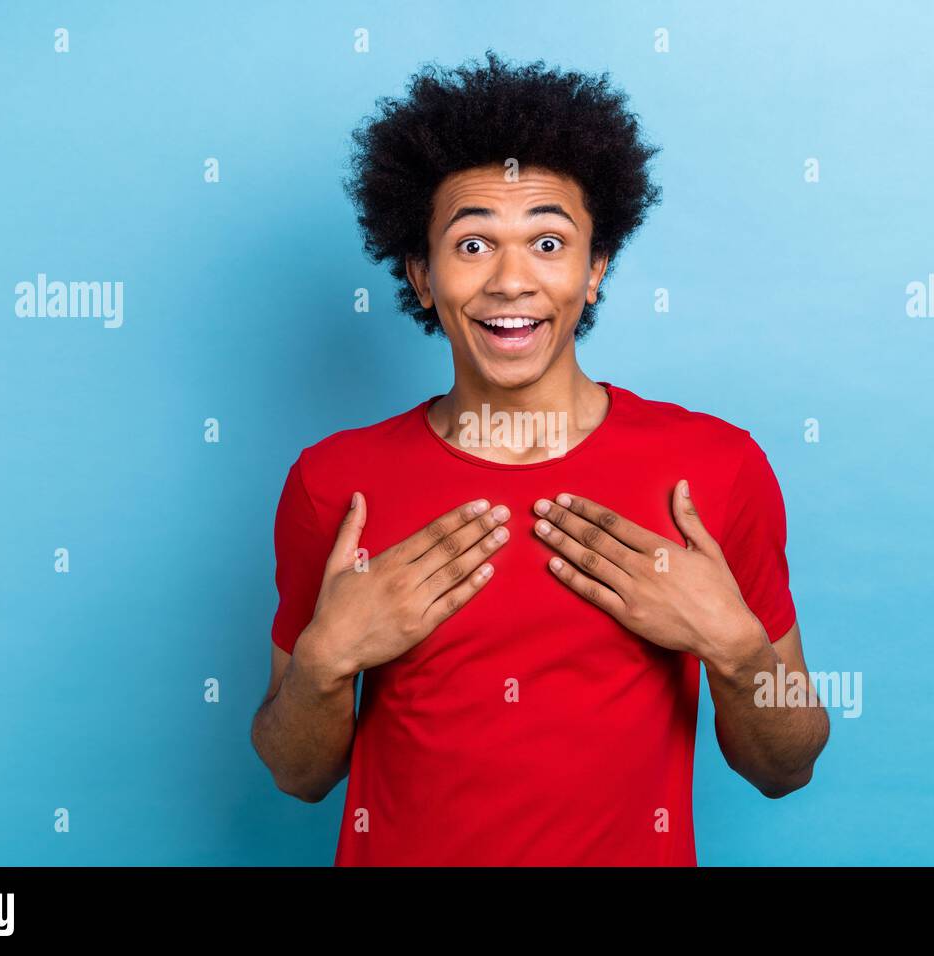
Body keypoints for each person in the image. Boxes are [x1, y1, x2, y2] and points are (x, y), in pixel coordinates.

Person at [250, 50, 829, 866]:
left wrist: (736, 649)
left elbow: (788, 766)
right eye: (474, 244)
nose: (512, 280)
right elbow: (296, 775)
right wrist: (325, 660)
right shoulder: (334, 482)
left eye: (549, 243)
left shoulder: (716, 466)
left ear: (595, 271)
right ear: (421, 275)